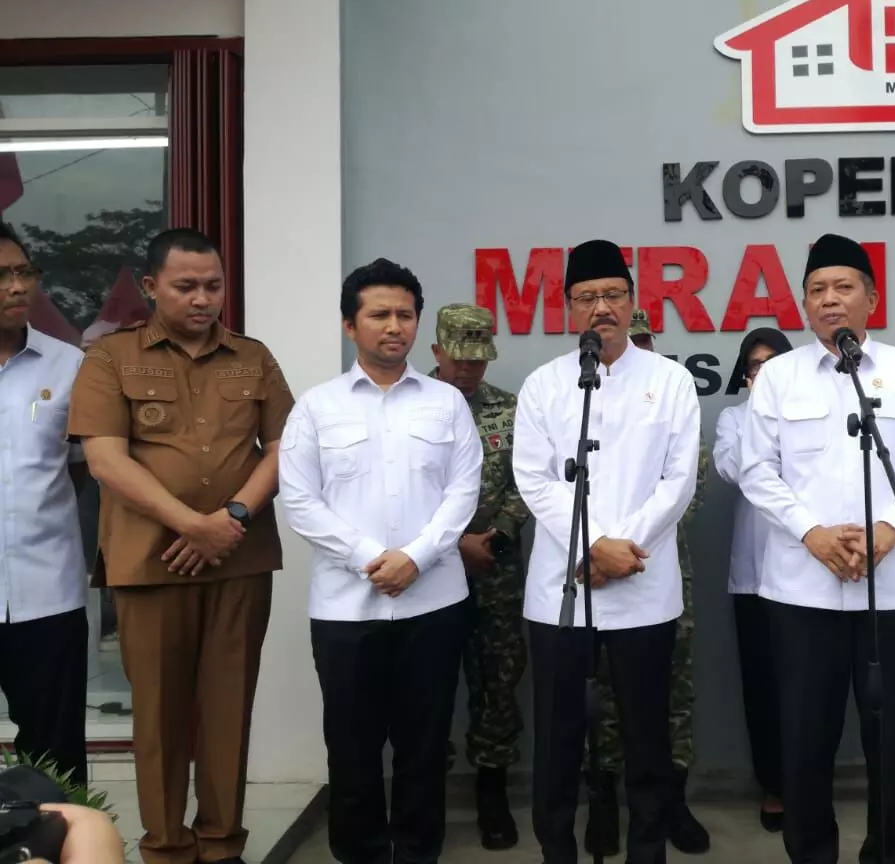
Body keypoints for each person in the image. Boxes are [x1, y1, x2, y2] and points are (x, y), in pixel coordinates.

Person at [68, 228, 294, 864]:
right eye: (186, 286)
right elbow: (106, 460)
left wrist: (232, 516)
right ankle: (166, 848)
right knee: (159, 717)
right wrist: (193, 525)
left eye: (213, 286)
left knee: (229, 709)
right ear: (150, 287)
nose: (202, 299)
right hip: (150, 563)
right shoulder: (110, 358)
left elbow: (286, 448)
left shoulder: (253, 357)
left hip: (239, 560)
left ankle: (222, 845)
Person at [738, 233, 895, 864]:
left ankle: (888, 851)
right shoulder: (779, 378)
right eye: (817, 290)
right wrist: (811, 532)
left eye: (843, 287)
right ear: (805, 304)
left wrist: (889, 528)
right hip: (802, 589)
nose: (829, 299)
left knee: (894, 737)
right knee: (805, 737)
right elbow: (757, 469)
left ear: (871, 299)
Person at [277, 260, 482, 864]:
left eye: (405, 315)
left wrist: (416, 557)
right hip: (346, 609)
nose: (395, 326)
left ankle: (418, 851)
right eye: (380, 314)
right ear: (350, 325)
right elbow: (300, 500)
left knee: (425, 743)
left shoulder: (447, 403)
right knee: (352, 746)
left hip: (435, 603)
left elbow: (463, 492)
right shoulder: (316, 407)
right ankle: (361, 852)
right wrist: (371, 558)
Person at [514, 240, 701, 864]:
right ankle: (557, 852)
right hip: (563, 592)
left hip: (643, 585)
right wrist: (594, 545)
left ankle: (647, 851)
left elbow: (679, 480)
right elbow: (533, 478)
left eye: (613, 295)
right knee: (558, 740)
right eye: (587, 297)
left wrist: (625, 547)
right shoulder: (544, 385)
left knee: (647, 736)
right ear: (569, 308)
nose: (602, 308)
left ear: (632, 302)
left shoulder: (670, 380)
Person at [585, 309, 711, 856]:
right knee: (598, 691)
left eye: (642, 339)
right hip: (588, 566)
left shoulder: (671, 399)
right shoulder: (584, 400)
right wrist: (599, 548)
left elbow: (689, 488)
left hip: (660, 566)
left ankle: (669, 801)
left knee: (668, 692)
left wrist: (627, 546)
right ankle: (602, 799)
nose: (633, 348)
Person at [431, 302, 531, 850]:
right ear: (437, 351)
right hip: (427, 573)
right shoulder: (413, 405)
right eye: (459, 358)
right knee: (428, 684)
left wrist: (495, 537)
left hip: (496, 570)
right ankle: (427, 792)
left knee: (499, 681)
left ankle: (492, 788)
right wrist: (453, 545)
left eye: (479, 359)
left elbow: (529, 482)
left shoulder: (510, 409)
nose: (469, 369)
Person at [0, 224, 89, 786]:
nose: (18, 286)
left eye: (24, 272)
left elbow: (83, 467)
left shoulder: (68, 365)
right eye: (2, 276)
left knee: (54, 760)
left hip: (47, 594)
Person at [712, 326, 793, 834]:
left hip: (812, 571)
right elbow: (732, 470)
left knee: (810, 687)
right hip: (755, 576)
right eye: (755, 366)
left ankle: (808, 782)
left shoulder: (815, 412)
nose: (763, 372)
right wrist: (765, 422)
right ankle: (775, 785)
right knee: (763, 686)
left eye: (773, 363)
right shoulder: (734, 418)